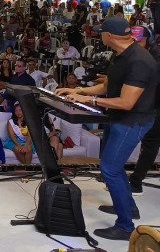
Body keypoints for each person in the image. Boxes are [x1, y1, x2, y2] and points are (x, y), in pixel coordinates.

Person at [59, 17, 157, 240]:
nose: (99, 36)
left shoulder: (139, 61)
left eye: (101, 33)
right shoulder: (120, 55)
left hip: (132, 121)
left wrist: (88, 102)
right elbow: (107, 86)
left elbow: (126, 102)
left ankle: (125, 227)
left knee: (110, 170)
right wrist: (79, 92)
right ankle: (129, 207)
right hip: (118, 118)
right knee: (114, 166)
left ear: (109, 36)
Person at [128, 25, 160, 196]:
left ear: (149, 41)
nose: (134, 44)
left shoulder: (154, 57)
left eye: (138, 41)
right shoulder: (143, 54)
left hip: (154, 106)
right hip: (151, 105)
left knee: (150, 144)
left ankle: (136, 183)